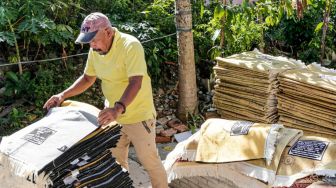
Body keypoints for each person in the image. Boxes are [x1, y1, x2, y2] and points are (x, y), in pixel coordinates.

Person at [43, 12, 168, 188]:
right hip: (111, 117)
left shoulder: (130, 45)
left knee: (150, 162)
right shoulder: (95, 51)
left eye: (94, 40)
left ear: (108, 32)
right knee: (114, 164)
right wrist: (62, 95)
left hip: (138, 116)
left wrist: (118, 108)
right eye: (88, 41)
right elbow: (87, 78)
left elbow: (136, 82)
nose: (92, 45)